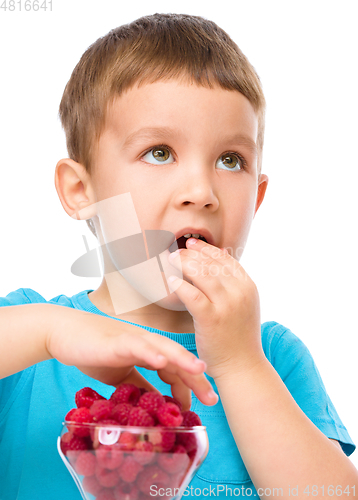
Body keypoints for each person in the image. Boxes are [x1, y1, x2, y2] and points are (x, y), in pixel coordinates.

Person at [0, 12, 357, 500]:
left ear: (256, 198)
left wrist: (239, 364)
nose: (201, 191)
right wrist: (49, 330)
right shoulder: (27, 337)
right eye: (160, 152)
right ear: (81, 190)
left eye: (231, 160)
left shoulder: (272, 355)